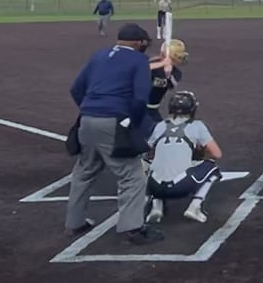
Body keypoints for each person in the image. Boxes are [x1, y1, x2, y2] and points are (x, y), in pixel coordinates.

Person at [66, 23, 163, 244]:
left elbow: (76, 89)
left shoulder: (99, 55)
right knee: (132, 175)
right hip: (114, 120)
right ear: (138, 42)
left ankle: (74, 222)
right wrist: (131, 123)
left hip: (86, 120)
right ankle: (133, 228)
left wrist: (90, 109)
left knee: (84, 171)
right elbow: (141, 98)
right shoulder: (139, 60)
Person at [144, 89, 225, 225]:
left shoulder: (160, 126)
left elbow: (148, 151)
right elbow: (216, 154)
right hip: (181, 186)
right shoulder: (197, 126)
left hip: (155, 187)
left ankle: (156, 207)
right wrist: (198, 155)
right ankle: (195, 206)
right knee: (212, 167)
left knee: (149, 165)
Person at [143, 38, 188, 130]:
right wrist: (160, 63)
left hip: (151, 109)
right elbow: (138, 69)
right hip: (134, 107)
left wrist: (168, 75)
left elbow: (172, 85)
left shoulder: (175, 73)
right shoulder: (150, 63)